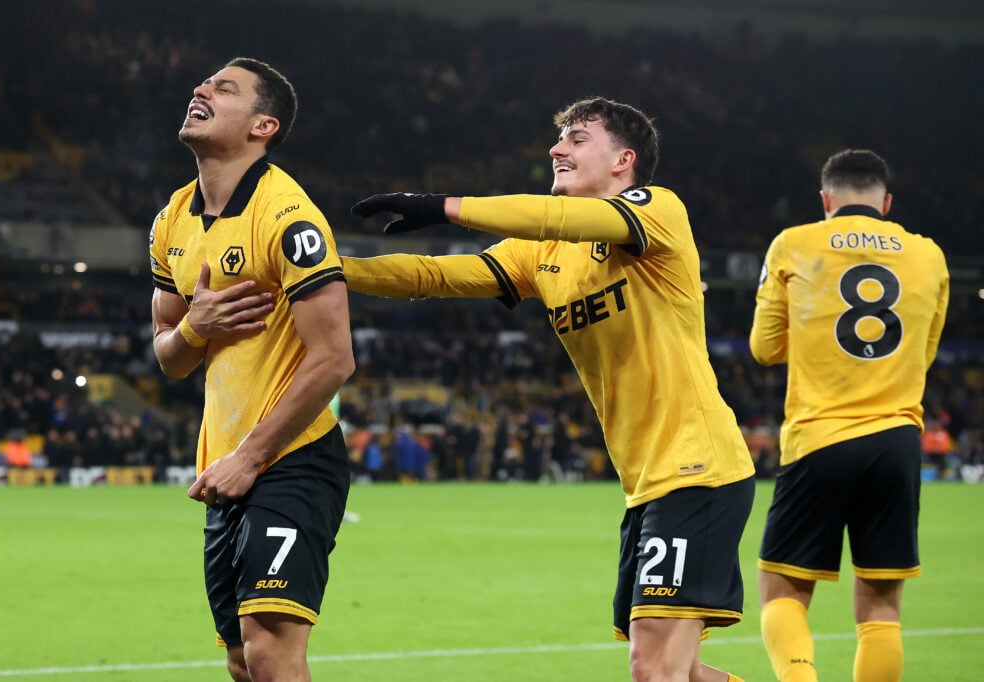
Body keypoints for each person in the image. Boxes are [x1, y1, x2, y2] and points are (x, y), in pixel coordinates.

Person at [344, 96, 755, 681]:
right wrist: (329, 268)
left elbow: (554, 217)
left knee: (653, 667)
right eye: (558, 138)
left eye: (577, 138)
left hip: (697, 466)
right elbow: (435, 275)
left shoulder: (659, 210)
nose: (556, 148)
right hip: (647, 481)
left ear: (624, 160)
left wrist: (444, 205)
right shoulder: (544, 253)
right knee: (680, 672)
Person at [149, 57, 354, 682]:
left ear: (263, 125)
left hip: (292, 456)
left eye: (223, 88)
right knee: (241, 659)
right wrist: (195, 329)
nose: (200, 90)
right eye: (204, 84)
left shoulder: (288, 217)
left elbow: (334, 358)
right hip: (226, 466)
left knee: (268, 650)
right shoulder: (170, 222)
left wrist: (251, 458)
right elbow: (167, 356)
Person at [750, 149, 949, 681]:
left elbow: (764, 348)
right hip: (898, 440)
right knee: (882, 609)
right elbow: (923, 356)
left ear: (825, 200)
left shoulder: (794, 243)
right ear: (886, 202)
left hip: (819, 437)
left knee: (783, 592)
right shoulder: (929, 255)